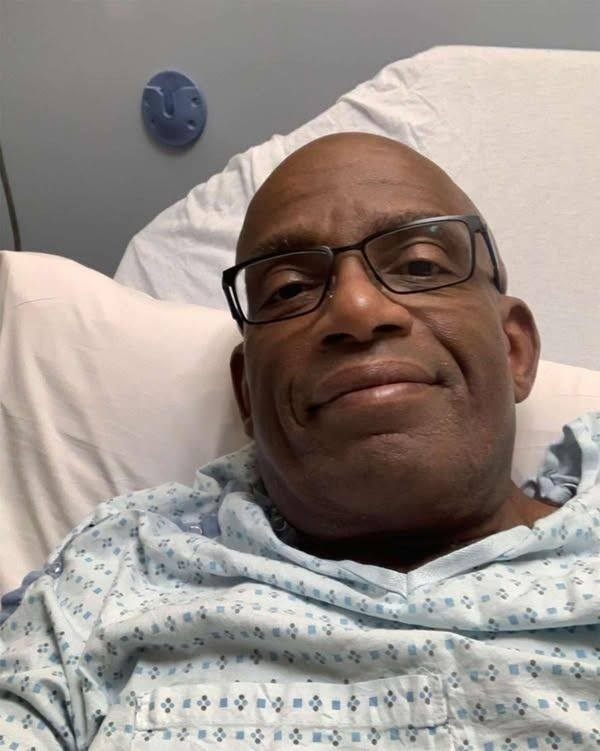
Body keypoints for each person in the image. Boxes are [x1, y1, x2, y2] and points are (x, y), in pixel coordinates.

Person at [0, 132, 598, 750]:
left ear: (514, 350)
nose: (358, 309)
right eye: (289, 289)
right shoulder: (116, 573)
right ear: (247, 395)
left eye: (419, 265)